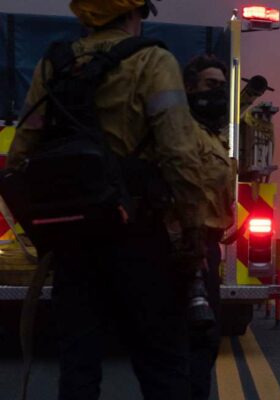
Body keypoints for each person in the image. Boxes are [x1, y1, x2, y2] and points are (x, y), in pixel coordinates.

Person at [8, 1, 211, 399]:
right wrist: (193, 227)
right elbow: (179, 153)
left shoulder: (54, 64)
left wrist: (42, 225)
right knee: (161, 361)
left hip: (73, 242)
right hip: (138, 233)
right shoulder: (153, 61)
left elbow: (21, 152)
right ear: (134, 14)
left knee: (78, 362)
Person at [181, 54, 235, 400]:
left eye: (221, 86)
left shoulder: (214, 136)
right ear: (189, 88)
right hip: (186, 245)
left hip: (208, 246)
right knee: (194, 340)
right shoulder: (181, 133)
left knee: (206, 338)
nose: (218, 93)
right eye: (210, 85)